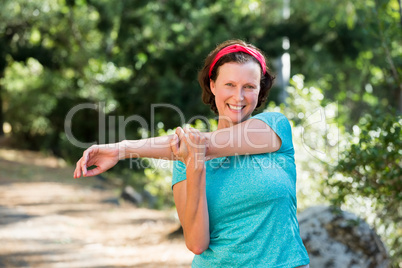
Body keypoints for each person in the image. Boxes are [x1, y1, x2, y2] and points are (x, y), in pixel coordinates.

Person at [74, 40, 310, 268]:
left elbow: (206, 143)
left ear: (260, 90)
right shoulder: (184, 158)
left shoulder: (274, 128)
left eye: (249, 86)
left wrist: (121, 149)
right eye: (230, 84)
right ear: (212, 85)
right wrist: (195, 166)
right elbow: (197, 243)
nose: (239, 97)